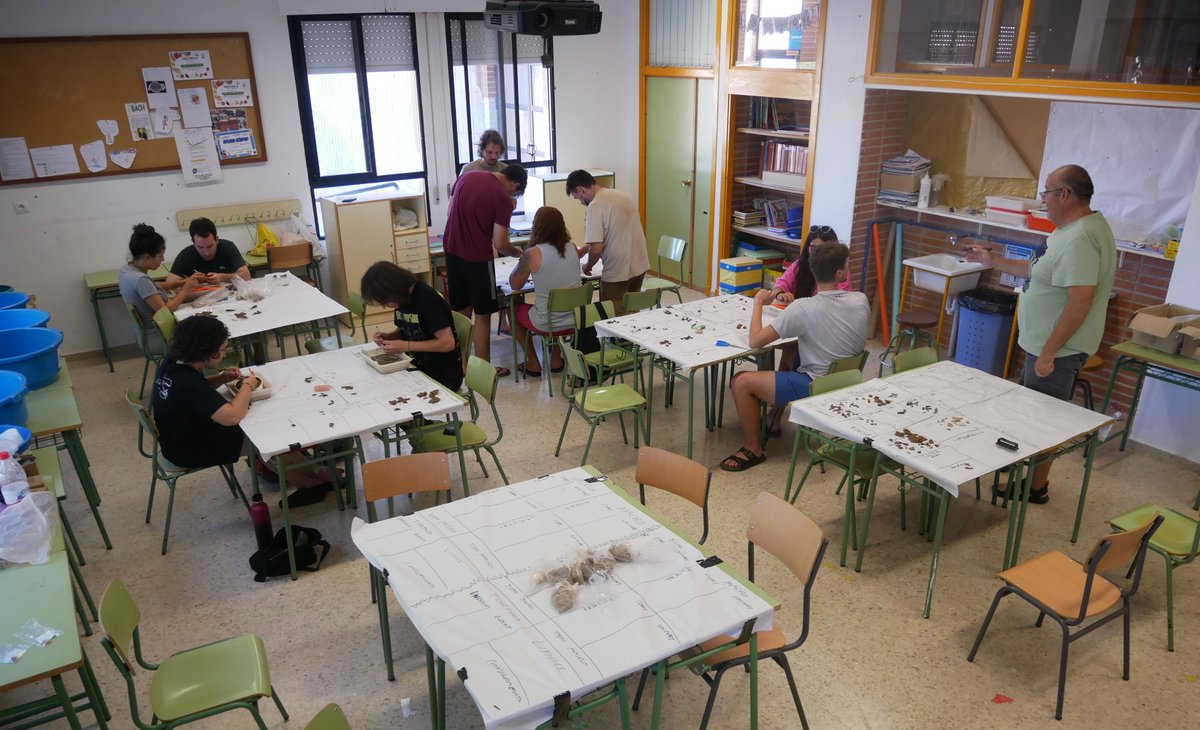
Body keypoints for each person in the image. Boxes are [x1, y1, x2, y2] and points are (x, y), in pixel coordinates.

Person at [963, 164, 1115, 504]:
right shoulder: (1074, 228)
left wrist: (1048, 352)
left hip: (1058, 351)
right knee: (1033, 415)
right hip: (1047, 346)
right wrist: (992, 260)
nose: (1042, 200)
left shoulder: (1079, 239)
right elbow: (1038, 273)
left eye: (1045, 192)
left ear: (1064, 194)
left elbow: (1080, 302)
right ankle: (1029, 476)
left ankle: (1034, 487)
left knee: (1042, 422)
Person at [151, 314, 333, 508]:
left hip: (177, 439)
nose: (223, 354)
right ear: (206, 353)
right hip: (189, 450)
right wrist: (247, 385)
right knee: (265, 436)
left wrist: (222, 378)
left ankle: (315, 478)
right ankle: (315, 480)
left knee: (262, 432)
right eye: (221, 350)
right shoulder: (187, 382)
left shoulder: (174, 361)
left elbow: (198, 389)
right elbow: (232, 416)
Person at [721, 242, 869, 472]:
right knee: (791, 351)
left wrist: (759, 302)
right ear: (839, 273)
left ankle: (753, 448)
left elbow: (756, 340)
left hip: (817, 385)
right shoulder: (861, 300)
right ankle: (773, 419)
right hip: (848, 380)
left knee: (740, 382)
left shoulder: (803, 308)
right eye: (848, 264)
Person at [764, 226, 855, 434]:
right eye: (812, 248)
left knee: (788, 355)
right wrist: (780, 294)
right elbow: (781, 284)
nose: (815, 254)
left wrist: (800, 308)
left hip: (823, 337)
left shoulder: (840, 278)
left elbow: (830, 307)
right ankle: (774, 402)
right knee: (786, 351)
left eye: (821, 249)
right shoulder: (800, 265)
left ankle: (776, 406)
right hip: (802, 324)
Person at [444, 165, 528, 377]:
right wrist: (516, 253)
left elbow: (449, 212)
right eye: (515, 193)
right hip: (477, 259)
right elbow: (500, 243)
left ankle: (461, 364)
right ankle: (483, 370)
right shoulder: (502, 197)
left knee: (462, 313)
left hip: (452, 252)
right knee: (483, 314)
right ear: (515, 184)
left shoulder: (466, 177)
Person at [360, 261, 463, 392]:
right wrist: (389, 337)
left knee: (389, 392)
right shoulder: (401, 298)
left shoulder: (427, 299)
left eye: (385, 301)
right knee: (374, 383)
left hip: (442, 374)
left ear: (393, 289)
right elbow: (407, 328)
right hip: (416, 364)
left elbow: (447, 343)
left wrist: (406, 346)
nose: (384, 306)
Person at [508, 207, 583, 376]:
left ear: (536, 226)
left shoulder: (532, 254)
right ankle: (556, 360)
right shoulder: (572, 248)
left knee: (512, 308)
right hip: (575, 319)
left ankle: (533, 363)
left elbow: (515, 285)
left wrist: (524, 256)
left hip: (546, 322)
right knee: (558, 304)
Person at [566, 169, 650, 315]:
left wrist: (588, 265)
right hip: (639, 264)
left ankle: (616, 339)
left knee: (612, 316)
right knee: (632, 313)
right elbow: (616, 232)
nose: (580, 202)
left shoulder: (595, 206)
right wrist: (586, 249)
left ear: (580, 190)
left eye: (577, 198)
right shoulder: (621, 195)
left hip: (617, 270)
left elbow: (597, 249)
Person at [119, 223, 197, 355]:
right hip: (161, 339)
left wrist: (183, 282)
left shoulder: (127, 270)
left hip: (146, 336)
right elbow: (165, 311)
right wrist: (185, 290)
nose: (163, 259)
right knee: (207, 333)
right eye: (160, 256)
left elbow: (154, 287)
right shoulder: (140, 280)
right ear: (148, 257)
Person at [164, 217, 251, 289]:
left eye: (210, 246)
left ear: (216, 239)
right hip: (199, 298)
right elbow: (169, 284)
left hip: (228, 294)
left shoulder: (228, 247)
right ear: (193, 242)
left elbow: (246, 275)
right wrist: (189, 280)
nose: (206, 253)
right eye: (200, 247)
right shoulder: (186, 255)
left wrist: (222, 277)